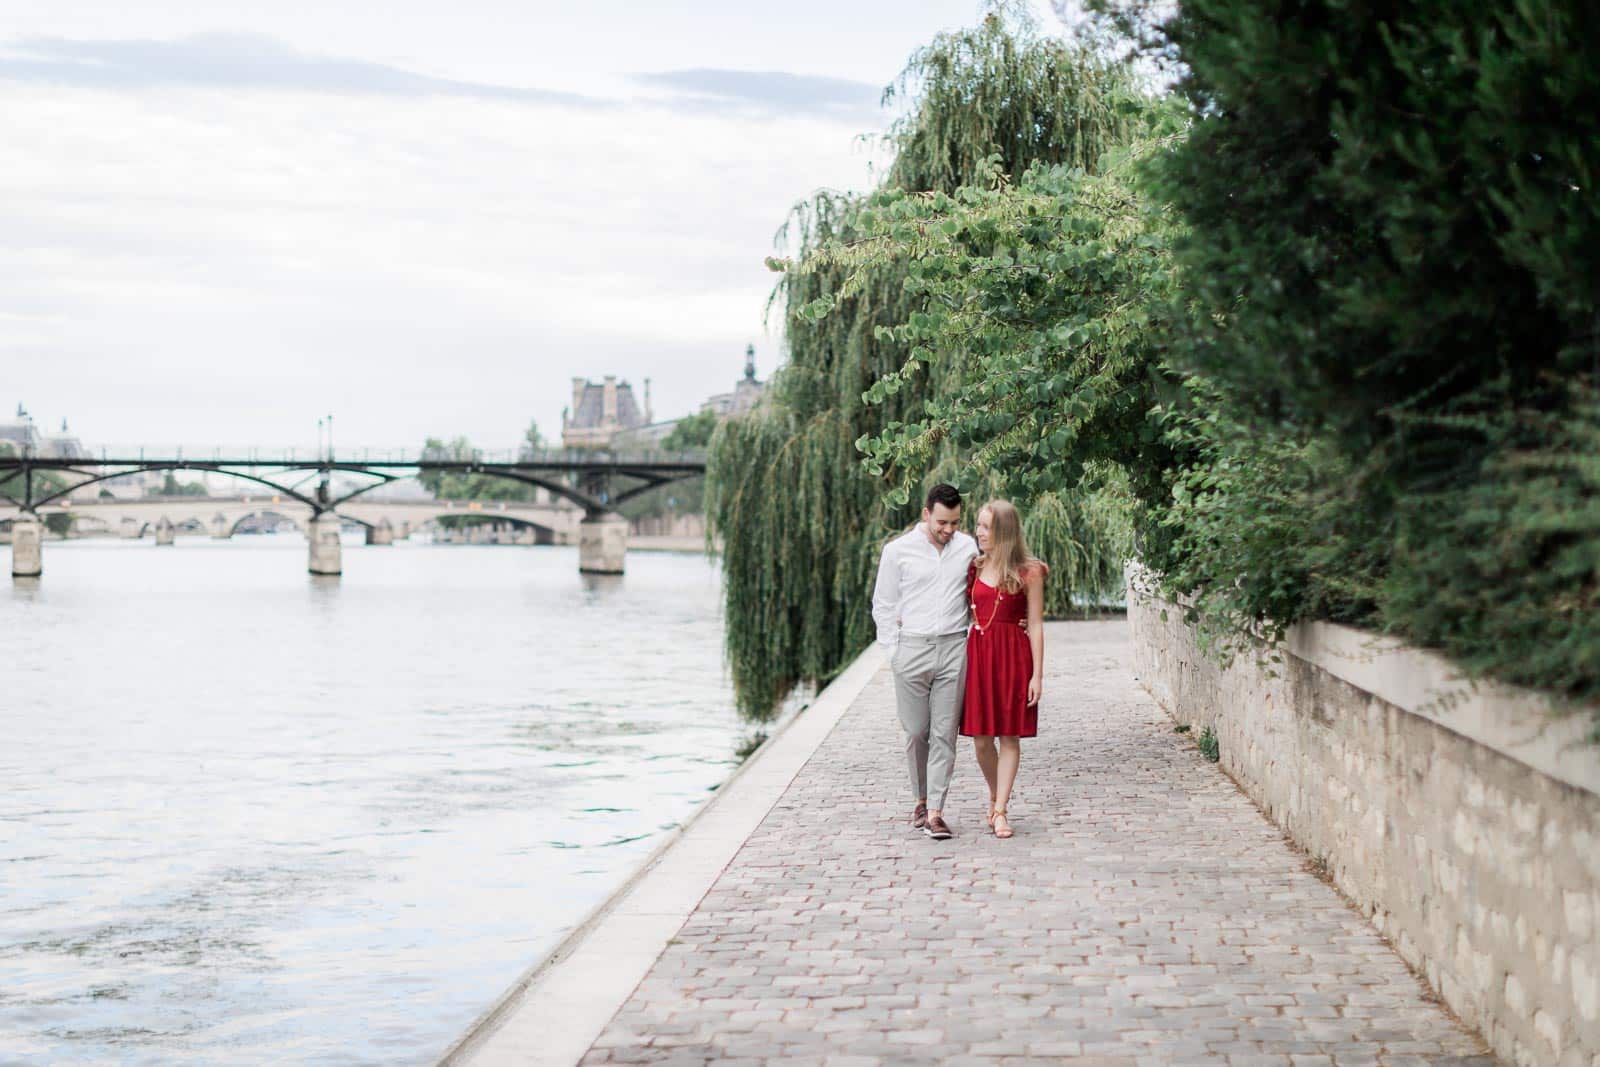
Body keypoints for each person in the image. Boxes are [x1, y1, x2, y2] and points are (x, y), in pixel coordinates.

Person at [871, 483, 979, 839]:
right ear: (926, 514)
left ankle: (935, 811)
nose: (949, 530)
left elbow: (987, 584)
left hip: (952, 648)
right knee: (917, 731)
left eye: (955, 523)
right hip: (911, 649)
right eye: (943, 523)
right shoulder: (897, 551)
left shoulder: (967, 548)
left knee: (944, 733)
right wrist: (893, 652)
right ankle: (919, 797)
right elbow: (884, 604)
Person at [961, 500, 1047, 839]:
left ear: (1004, 531)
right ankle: (996, 796)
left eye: (985, 527)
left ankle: (1000, 810)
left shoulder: (1031, 572)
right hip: (980, 655)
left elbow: (1037, 624)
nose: (978, 532)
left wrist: (1037, 675)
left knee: (1009, 736)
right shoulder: (974, 567)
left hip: (1014, 655)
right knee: (982, 741)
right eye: (978, 525)